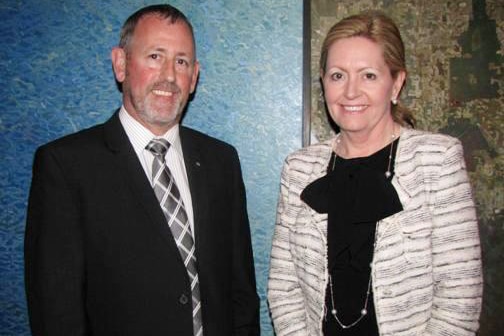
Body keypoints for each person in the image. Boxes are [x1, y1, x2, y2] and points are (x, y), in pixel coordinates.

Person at [24, 4, 260, 336]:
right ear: (121, 64)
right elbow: (56, 311)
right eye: (154, 57)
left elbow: (241, 295)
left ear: (194, 76)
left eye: (181, 61)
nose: (169, 75)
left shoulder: (221, 162)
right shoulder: (66, 167)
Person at [268, 10, 482, 336]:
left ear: (396, 83)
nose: (350, 92)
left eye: (368, 75)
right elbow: (284, 289)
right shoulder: (298, 169)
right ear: (323, 82)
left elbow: (459, 299)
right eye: (338, 75)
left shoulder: (437, 160)